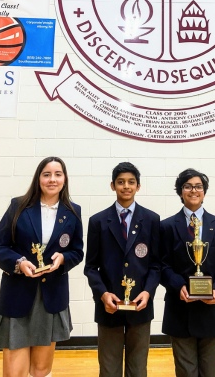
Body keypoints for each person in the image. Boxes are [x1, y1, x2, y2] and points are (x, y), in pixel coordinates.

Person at [0, 156, 84, 377]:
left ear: (65, 178)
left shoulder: (73, 211)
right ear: (38, 178)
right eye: (46, 174)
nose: (52, 179)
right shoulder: (19, 206)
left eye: (58, 174)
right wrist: (19, 263)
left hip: (51, 298)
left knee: (41, 371)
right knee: (15, 373)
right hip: (18, 295)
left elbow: (77, 251)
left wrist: (63, 260)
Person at [84, 161, 160, 377]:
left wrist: (148, 292)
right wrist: (103, 293)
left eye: (131, 182)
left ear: (138, 186)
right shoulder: (98, 221)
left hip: (140, 305)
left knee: (138, 368)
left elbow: (155, 264)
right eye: (120, 182)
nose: (126, 186)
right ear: (112, 186)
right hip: (109, 305)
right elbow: (90, 267)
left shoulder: (152, 220)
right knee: (109, 369)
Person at [160, 168, 215, 377]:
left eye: (198, 186)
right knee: (186, 372)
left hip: (211, 311)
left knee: (211, 372)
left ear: (204, 191)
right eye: (188, 186)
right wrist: (178, 287)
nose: (194, 190)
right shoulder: (166, 226)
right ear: (180, 191)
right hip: (180, 309)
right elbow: (162, 266)